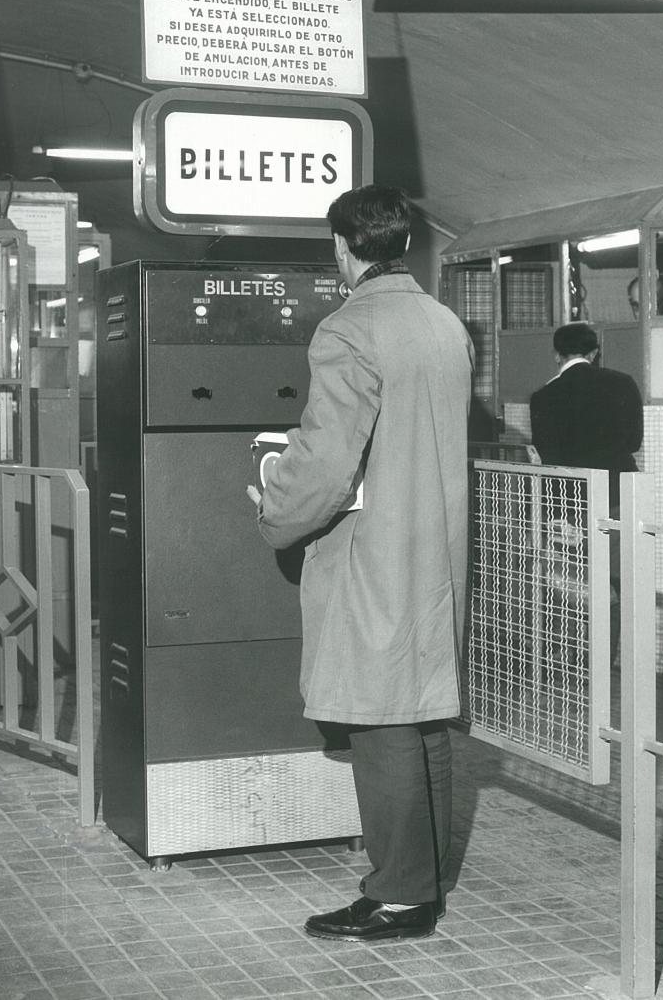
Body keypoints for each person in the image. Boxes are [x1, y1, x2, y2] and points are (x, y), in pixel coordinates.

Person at [247, 185, 473, 942]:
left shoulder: (347, 329)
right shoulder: (444, 323)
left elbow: (327, 465)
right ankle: (427, 880)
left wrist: (274, 505)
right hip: (434, 543)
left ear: (341, 247)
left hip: (375, 551)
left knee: (380, 724)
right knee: (423, 718)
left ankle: (401, 895)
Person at [529, 321, 643, 665]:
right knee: (621, 582)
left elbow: (550, 458)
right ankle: (612, 666)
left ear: (556, 355)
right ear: (594, 352)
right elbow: (633, 442)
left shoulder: (544, 397)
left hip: (572, 502)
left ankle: (576, 664)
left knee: (576, 584)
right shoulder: (623, 383)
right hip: (621, 495)